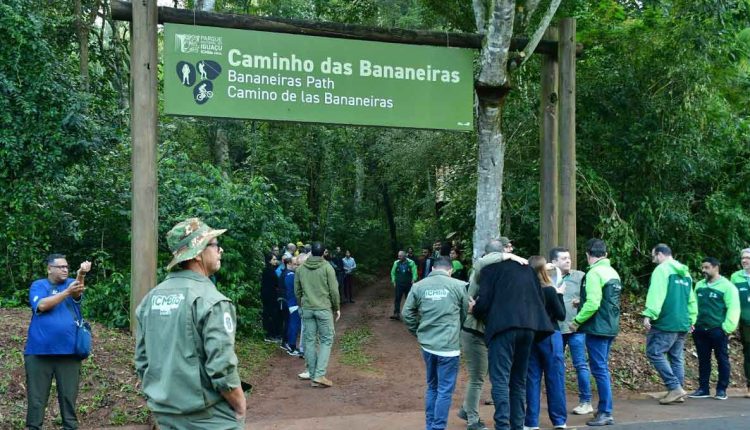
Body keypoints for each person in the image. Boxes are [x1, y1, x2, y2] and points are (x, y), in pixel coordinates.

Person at [135, 218, 246, 429]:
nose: (220, 250)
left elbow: (142, 361)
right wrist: (240, 404)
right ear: (197, 253)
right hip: (208, 418)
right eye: (214, 245)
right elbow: (221, 368)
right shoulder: (212, 301)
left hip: (165, 414)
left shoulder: (150, 300)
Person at [471, 239, 554, 430]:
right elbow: (540, 298)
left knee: (500, 379)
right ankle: (517, 425)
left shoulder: (489, 271)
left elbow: (483, 303)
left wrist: (474, 309)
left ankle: (502, 425)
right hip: (529, 329)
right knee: (518, 380)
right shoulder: (527, 270)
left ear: (488, 256)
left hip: (503, 329)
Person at [457, 245, 527, 430]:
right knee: (477, 377)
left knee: (485, 374)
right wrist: (509, 256)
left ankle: (466, 409)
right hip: (473, 331)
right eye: (504, 252)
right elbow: (482, 261)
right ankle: (472, 419)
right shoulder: (481, 271)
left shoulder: (495, 275)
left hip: (487, 332)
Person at [24, 254, 91, 430]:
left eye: (67, 267)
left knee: (69, 398)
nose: (64, 269)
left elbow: (77, 289)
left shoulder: (71, 283)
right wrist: (66, 292)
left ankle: (70, 427)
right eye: (60, 266)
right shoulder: (39, 285)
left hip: (69, 353)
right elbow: (42, 306)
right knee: (36, 399)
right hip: (38, 352)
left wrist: (81, 273)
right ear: (49, 268)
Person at [402, 257, 469, 430]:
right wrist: (456, 330)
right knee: (445, 390)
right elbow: (463, 314)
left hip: (428, 345)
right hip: (449, 346)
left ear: (432, 268)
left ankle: (430, 425)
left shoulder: (418, 286)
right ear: (450, 270)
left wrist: (417, 331)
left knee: (432, 386)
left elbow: (406, 313)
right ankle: (437, 427)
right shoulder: (459, 286)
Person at [569, 238, 622, 426]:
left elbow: (593, 304)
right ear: (605, 254)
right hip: (610, 326)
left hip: (597, 328)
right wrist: (581, 303)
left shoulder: (594, 273)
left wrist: (576, 321)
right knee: (602, 368)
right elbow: (607, 301)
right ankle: (603, 409)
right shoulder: (612, 272)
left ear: (587, 254)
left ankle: (606, 412)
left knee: (599, 370)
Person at [641, 244, 696, 405]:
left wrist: (649, 314)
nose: (653, 261)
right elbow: (691, 300)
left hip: (666, 321)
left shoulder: (662, 270)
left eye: (653, 257)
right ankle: (678, 391)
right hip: (683, 322)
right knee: (676, 356)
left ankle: (674, 388)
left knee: (654, 352)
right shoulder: (686, 273)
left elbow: (657, 294)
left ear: (659, 254)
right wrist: (692, 319)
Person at [524, 256, 567, 430]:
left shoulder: (524, 291)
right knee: (554, 378)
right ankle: (559, 420)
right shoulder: (549, 290)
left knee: (532, 378)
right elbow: (561, 314)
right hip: (550, 334)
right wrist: (560, 294)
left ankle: (531, 421)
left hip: (531, 335)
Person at [688, 257, 740, 400]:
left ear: (716, 267)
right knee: (703, 360)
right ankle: (703, 389)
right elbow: (693, 305)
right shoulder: (699, 285)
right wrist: (691, 322)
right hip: (699, 329)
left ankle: (721, 389)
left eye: (706, 267)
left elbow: (733, 308)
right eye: (703, 267)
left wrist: (726, 328)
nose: (703, 270)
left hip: (717, 329)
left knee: (722, 359)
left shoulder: (728, 287)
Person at [549, 246, 592, 415]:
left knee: (581, 365)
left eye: (569, 258)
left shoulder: (580, 276)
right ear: (554, 262)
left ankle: (586, 401)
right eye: (563, 258)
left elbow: (592, 296)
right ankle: (557, 401)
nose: (568, 260)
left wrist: (580, 300)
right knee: (555, 365)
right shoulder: (548, 277)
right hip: (555, 329)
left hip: (576, 328)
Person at [295, 242, 341, 387]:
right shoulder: (327, 267)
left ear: (311, 253)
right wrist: (337, 307)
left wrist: (302, 304)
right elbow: (334, 290)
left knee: (309, 341)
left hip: (307, 308)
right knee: (326, 340)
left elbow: (297, 291)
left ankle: (314, 375)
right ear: (323, 253)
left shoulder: (300, 269)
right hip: (323, 308)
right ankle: (319, 375)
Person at [730, 248, 750, 398]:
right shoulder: (735, 277)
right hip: (745, 322)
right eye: (743, 258)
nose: (744, 260)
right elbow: (732, 301)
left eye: (748, 258)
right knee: (748, 353)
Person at [261, 253, 283, 343]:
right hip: (270, 297)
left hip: (269, 296)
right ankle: (270, 335)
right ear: (269, 261)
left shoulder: (269, 270)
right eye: (273, 259)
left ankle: (270, 334)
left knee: (270, 315)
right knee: (271, 316)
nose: (275, 261)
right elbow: (275, 283)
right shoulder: (269, 271)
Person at [390, 250, 418, 320]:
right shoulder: (396, 263)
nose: (398, 257)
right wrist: (393, 281)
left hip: (408, 283)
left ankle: (409, 314)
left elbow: (415, 272)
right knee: (397, 298)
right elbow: (392, 272)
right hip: (399, 283)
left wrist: (414, 279)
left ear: (405, 256)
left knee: (409, 299)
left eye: (400, 256)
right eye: (398, 256)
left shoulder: (411, 262)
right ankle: (396, 313)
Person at [283, 257, 302, 356]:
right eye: (295, 264)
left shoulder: (289, 275)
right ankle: (292, 346)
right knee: (294, 325)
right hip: (293, 303)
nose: (296, 266)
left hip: (292, 303)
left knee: (292, 324)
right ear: (289, 264)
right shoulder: (291, 276)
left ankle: (291, 345)